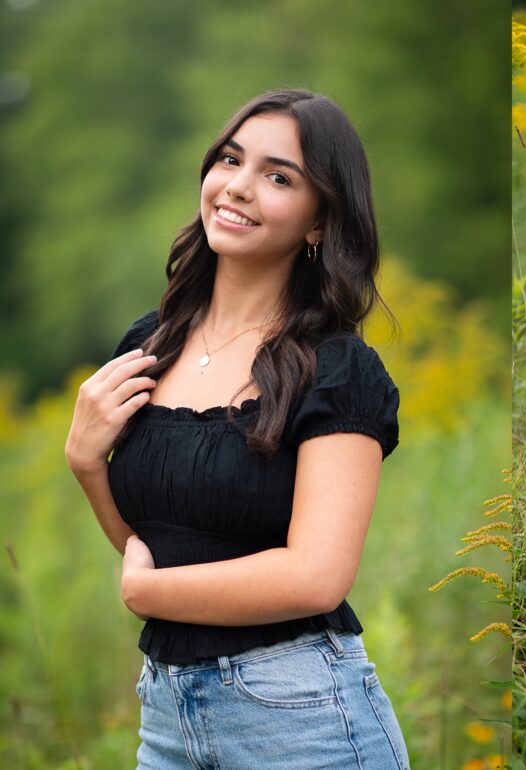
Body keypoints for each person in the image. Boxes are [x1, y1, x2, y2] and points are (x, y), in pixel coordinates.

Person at [64, 89, 410, 768]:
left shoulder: (337, 369)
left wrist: (147, 595)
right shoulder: (148, 345)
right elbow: (154, 542)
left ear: (318, 223)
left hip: (300, 717)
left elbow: (317, 577)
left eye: (279, 177)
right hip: (166, 717)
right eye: (231, 160)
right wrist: (86, 465)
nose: (239, 188)